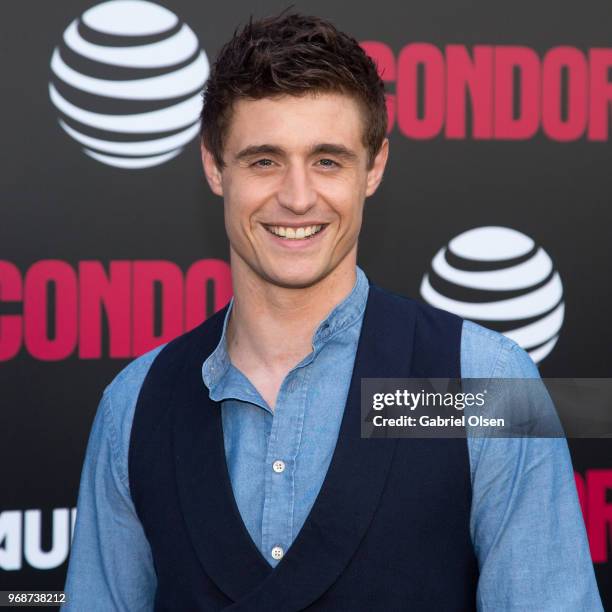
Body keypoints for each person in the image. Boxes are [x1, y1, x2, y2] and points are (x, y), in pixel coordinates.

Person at [62, 11, 603, 611]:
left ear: (374, 167)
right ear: (215, 167)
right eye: (264, 160)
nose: (296, 198)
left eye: (327, 160)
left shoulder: (481, 382)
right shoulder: (134, 405)